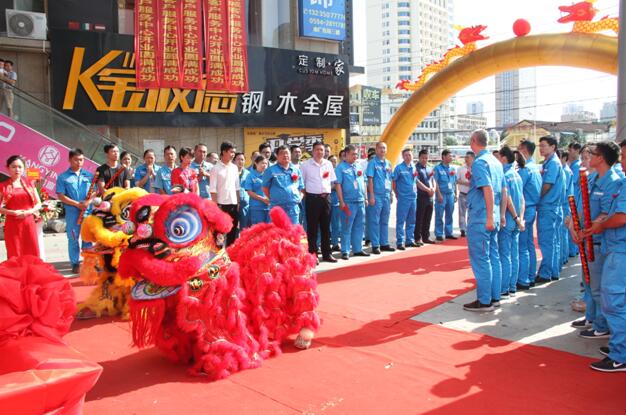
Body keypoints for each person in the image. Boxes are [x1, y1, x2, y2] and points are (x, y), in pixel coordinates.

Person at [582, 139, 626, 372]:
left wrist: (600, 226)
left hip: (620, 248)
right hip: (614, 245)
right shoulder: (620, 183)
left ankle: (621, 354)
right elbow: (609, 213)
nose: (623, 162)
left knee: (613, 301)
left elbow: (620, 216)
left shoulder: (618, 182)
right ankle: (620, 345)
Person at [572, 142, 621, 339]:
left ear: (601, 158)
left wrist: (588, 229)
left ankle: (602, 326)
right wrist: (574, 227)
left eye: (593, 153)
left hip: (599, 241)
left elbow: (607, 213)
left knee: (601, 288)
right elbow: (582, 206)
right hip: (587, 238)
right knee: (589, 283)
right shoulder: (593, 179)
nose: (589, 156)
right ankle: (592, 318)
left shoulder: (614, 182)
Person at [463, 129, 505, 312]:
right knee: (493, 257)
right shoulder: (495, 162)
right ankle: (495, 296)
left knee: (481, 259)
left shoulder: (480, 163)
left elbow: (487, 188)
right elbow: (504, 190)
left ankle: (485, 300)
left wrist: (489, 216)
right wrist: (500, 215)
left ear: (473, 140)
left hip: (482, 217)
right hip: (493, 216)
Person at [56, 148, 95, 274]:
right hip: (73, 213)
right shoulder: (63, 177)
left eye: (81, 160)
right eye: (76, 160)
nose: (79, 162)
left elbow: (95, 192)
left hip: (88, 212)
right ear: (69, 160)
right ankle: (75, 263)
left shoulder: (89, 175)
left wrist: (88, 202)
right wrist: (77, 204)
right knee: (73, 238)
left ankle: (88, 262)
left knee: (88, 238)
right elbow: (61, 195)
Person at [301, 141, 337, 263]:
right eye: (317, 149)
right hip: (312, 199)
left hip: (326, 199)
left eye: (322, 150)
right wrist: (309, 195)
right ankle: (313, 254)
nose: (319, 152)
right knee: (312, 229)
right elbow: (302, 184)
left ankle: (327, 254)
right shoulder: (305, 165)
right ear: (312, 151)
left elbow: (332, 181)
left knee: (326, 228)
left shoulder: (328, 164)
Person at [0, 155, 41, 258]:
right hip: (12, 223)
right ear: (8, 168)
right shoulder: (3, 186)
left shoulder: (30, 184)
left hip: (28, 222)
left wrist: (28, 212)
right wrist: (13, 212)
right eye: (13, 167)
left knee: (31, 249)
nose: (17, 169)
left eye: (20, 167)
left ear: (23, 168)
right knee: (15, 250)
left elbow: (38, 204)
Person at [497, 146, 525, 298]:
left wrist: (514, 217)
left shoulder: (504, 175)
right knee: (514, 254)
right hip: (516, 221)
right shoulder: (517, 175)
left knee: (505, 255)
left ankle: (504, 288)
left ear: (503, 158)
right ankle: (512, 287)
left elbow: (507, 199)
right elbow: (522, 199)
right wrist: (520, 218)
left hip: (509, 220)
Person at [536, 136, 564, 283]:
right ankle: (553, 270)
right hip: (553, 207)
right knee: (553, 241)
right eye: (540, 146)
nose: (541, 148)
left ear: (553, 147)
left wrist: (536, 198)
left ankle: (546, 273)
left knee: (547, 241)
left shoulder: (553, 163)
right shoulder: (550, 162)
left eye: (544, 146)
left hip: (549, 207)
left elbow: (547, 185)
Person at [515, 145, 542, 291]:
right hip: (532, 208)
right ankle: (530, 276)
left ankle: (523, 279)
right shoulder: (535, 167)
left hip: (526, 210)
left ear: (524, 151)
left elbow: (518, 190)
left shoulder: (525, 169)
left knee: (522, 247)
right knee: (529, 245)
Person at [335, 145, 369, 260]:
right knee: (347, 227)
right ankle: (345, 250)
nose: (355, 156)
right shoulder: (340, 168)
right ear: (346, 154)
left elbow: (364, 182)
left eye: (356, 154)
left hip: (360, 201)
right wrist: (341, 201)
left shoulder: (359, 166)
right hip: (348, 203)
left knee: (359, 226)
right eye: (353, 154)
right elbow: (338, 185)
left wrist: (365, 198)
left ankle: (358, 249)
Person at [262, 145, 304, 224]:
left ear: (290, 155)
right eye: (282, 153)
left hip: (293, 208)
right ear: (277, 156)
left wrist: (299, 198)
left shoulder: (296, 170)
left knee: (292, 232)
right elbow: (265, 188)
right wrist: (274, 198)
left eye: (287, 153)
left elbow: (301, 187)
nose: (285, 155)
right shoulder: (270, 170)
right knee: (277, 232)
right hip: (277, 207)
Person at [210, 141, 241, 246]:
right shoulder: (215, 169)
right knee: (219, 232)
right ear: (224, 152)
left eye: (234, 152)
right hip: (221, 205)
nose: (233, 155)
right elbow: (213, 190)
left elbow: (237, 187)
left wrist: (238, 203)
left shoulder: (234, 167)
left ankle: (231, 254)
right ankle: (218, 256)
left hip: (233, 204)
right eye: (231, 152)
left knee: (232, 232)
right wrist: (215, 206)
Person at [366, 142, 394, 254]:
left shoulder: (388, 163)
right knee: (375, 221)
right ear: (376, 150)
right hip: (376, 195)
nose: (382, 150)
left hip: (386, 195)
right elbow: (370, 179)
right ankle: (375, 244)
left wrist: (391, 193)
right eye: (380, 148)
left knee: (385, 220)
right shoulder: (372, 163)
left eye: (384, 148)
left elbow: (390, 179)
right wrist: (371, 195)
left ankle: (384, 243)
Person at [393, 148, 418, 250]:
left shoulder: (414, 167)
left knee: (412, 220)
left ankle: (410, 240)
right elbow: (393, 182)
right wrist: (396, 194)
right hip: (403, 198)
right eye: (406, 155)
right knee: (401, 220)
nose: (408, 157)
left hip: (413, 197)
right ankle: (400, 241)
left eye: (410, 155)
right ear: (403, 157)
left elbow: (416, 182)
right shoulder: (399, 168)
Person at [433, 149, 458, 241]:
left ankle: (449, 232)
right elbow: (435, 182)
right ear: (443, 157)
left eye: (451, 156)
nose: (451, 158)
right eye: (449, 156)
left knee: (450, 214)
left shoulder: (452, 168)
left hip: (450, 194)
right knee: (439, 214)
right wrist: (438, 194)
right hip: (442, 194)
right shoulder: (437, 168)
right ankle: (439, 233)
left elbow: (454, 182)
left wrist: (456, 193)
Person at [414, 149, 436, 245]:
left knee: (428, 217)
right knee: (420, 217)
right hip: (421, 196)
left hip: (430, 196)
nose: (424, 160)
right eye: (423, 158)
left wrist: (434, 189)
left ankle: (426, 236)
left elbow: (433, 180)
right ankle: (417, 238)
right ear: (419, 158)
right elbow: (417, 182)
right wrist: (427, 190)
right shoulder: (416, 169)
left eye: (426, 158)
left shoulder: (429, 168)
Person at [244, 155, 270, 225]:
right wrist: (263, 199)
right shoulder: (250, 175)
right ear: (256, 163)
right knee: (258, 230)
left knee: (269, 230)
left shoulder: (269, 175)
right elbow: (249, 192)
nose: (264, 165)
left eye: (266, 163)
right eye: (262, 163)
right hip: (257, 208)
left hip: (269, 207)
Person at [560, 150, 573, 269]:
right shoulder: (565, 170)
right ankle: (564, 256)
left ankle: (564, 256)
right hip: (565, 203)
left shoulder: (565, 171)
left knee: (563, 233)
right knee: (563, 233)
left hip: (564, 203)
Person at [568, 142, 582, 257]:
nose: (569, 152)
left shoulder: (577, 166)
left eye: (571, 150)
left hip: (575, 199)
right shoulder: (572, 165)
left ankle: (573, 250)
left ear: (577, 150)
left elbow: (573, 182)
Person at [456, 152, 475, 237]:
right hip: (463, 193)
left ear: (472, 158)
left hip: (473, 194)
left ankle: (470, 229)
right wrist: (465, 183)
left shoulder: (475, 169)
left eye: (468, 157)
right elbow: (457, 180)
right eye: (465, 157)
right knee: (462, 213)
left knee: (472, 213)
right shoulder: (461, 169)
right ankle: (463, 229)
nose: (466, 159)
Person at [328, 155, 342, 251]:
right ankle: (322, 242)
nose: (334, 163)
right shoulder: (325, 172)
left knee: (336, 224)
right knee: (325, 224)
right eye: (332, 161)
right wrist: (334, 186)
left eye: (335, 161)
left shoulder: (337, 172)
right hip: (327, 201)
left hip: (336, 202)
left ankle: (335, 243)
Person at [234, 152, 250, 231]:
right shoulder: (231, 172)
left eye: (242, 159)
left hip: (245, 204)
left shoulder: (248, 173)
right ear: (234, 161)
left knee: (244, 228)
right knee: (233, 227)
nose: (240, 161)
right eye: (238, 159)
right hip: (233, 203)